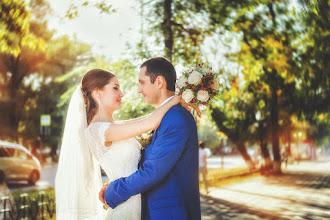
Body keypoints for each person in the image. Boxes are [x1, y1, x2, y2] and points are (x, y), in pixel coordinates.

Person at [99, 57, 201, 220]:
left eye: (142, 82)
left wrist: (113, 191)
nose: (139, 89)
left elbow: (153, 171)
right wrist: (118, 178)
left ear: (159, 82)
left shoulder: (175, 118)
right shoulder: (167, 116)